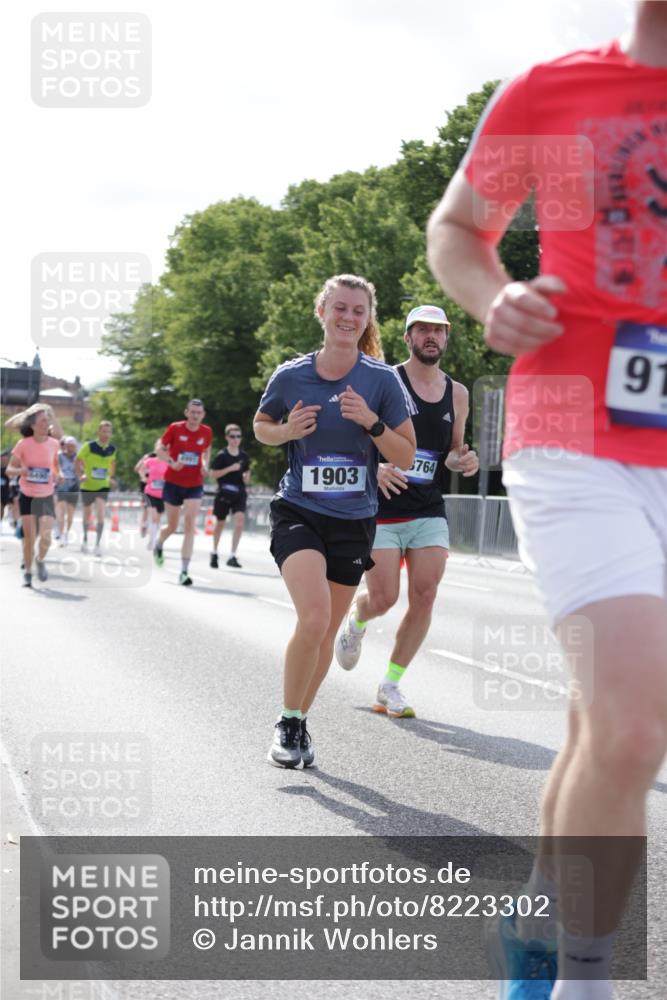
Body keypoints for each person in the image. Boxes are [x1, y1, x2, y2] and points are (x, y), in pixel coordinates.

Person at [427, 4, 666, 999]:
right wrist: (491, 299)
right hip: (575, 431)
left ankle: (534, 913)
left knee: (598, 722)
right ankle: (582, 979)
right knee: (634, 725)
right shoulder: (555, 90)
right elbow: (459, 229)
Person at [254, 273, 417, 769]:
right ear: (321, 312)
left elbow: (406, 456)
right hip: (299, 510)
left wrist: (371, 422)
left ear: (367, 319)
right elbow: (262, 427)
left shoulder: (382, 380)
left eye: (358, 311)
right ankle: (285, 720)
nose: (348, 318)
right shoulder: (291, 376)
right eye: (339, 308)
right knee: (317, 617)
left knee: (324, 635)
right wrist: (286, 430)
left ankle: (301, 719)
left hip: (354, 519)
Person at [335, 304, 479, 717]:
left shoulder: (458, 393)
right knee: (383, 597)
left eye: (439, 331)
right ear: (408, 337)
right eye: (423, 330)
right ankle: (357, 619)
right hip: (380, 509)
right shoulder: (385, 381)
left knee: (426, 594)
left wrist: (461, 461)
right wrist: (375, 468)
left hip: (428, 509)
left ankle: (390, 684)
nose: (432, 337)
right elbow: (351, 439)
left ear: (447, 339)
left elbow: (450, 452)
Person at [155, 399, 212, 585]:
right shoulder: (175, 428)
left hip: (194, 484)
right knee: (172, 526)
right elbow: (159, 449)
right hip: (173, 483)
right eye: (192, 412)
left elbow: (206, 450)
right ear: (186, 412)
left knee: (189, 524)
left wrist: (205, 465)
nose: (195, 415)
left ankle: (184, 571)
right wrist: (171, 463)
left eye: (199, 413)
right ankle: (159, 543)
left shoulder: (206, 431)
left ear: (203, 415)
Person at [6, 408, 62, 586]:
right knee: (29, 537)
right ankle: (28, 572)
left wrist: (58, 475)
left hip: (46, 495)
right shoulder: (23, 444)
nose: (47, 424)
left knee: (46, 536)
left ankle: (40, 559)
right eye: (43, 421)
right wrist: (20, 470)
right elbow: (9, 470)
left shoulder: (53, 444)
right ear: (33, 426)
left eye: (48, 421)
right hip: (28, 494)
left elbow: (55, 467)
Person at [209, 424, 251, 568]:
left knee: (239, 522)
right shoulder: (222, 456)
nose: (235, 439)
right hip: (224, 493)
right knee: (220, 523)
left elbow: (247, 472)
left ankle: (232, 555)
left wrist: (246, 476)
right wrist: (230, 469)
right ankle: (214, 552)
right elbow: (213, 474)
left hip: (239, 493)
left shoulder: (244, 456)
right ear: (227, 437)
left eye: (238, 436)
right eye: (232, 436)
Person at [76, 421, 116, 557]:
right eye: (104, 431)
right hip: (87, 485)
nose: (106, 434)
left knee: (100, 513)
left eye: (109, 432)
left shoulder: (112, 449)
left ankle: (97, 545)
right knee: (87, 514)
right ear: (98, 432)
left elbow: (112, 464)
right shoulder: (89, 446)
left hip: (103, 486)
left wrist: (110, 477)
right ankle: (85, 540)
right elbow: (77, 460)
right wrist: (80, 474)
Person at [138, 443, 168, 551]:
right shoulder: (150, 461)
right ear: (157, 449)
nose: (164, 451)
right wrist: (144, 477)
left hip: (162, 494)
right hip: (150, 492)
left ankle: (152, 540)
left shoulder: (169, 463)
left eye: (165, 449)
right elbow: (140, 469)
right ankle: (153, 541)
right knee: (154, 516)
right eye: (162, 448)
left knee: (157, 520)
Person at [55, 436, 79, 546]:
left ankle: (67, 532)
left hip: (74, 486)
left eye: (72, 446)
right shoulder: (60, 456)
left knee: (70, 515)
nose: (70, 448)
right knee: (61, 512)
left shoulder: (78, 458)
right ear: (65, 446)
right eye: (68, 446)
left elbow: (82, 470)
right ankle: (61, 534)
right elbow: (56, 468)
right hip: (62, 486)